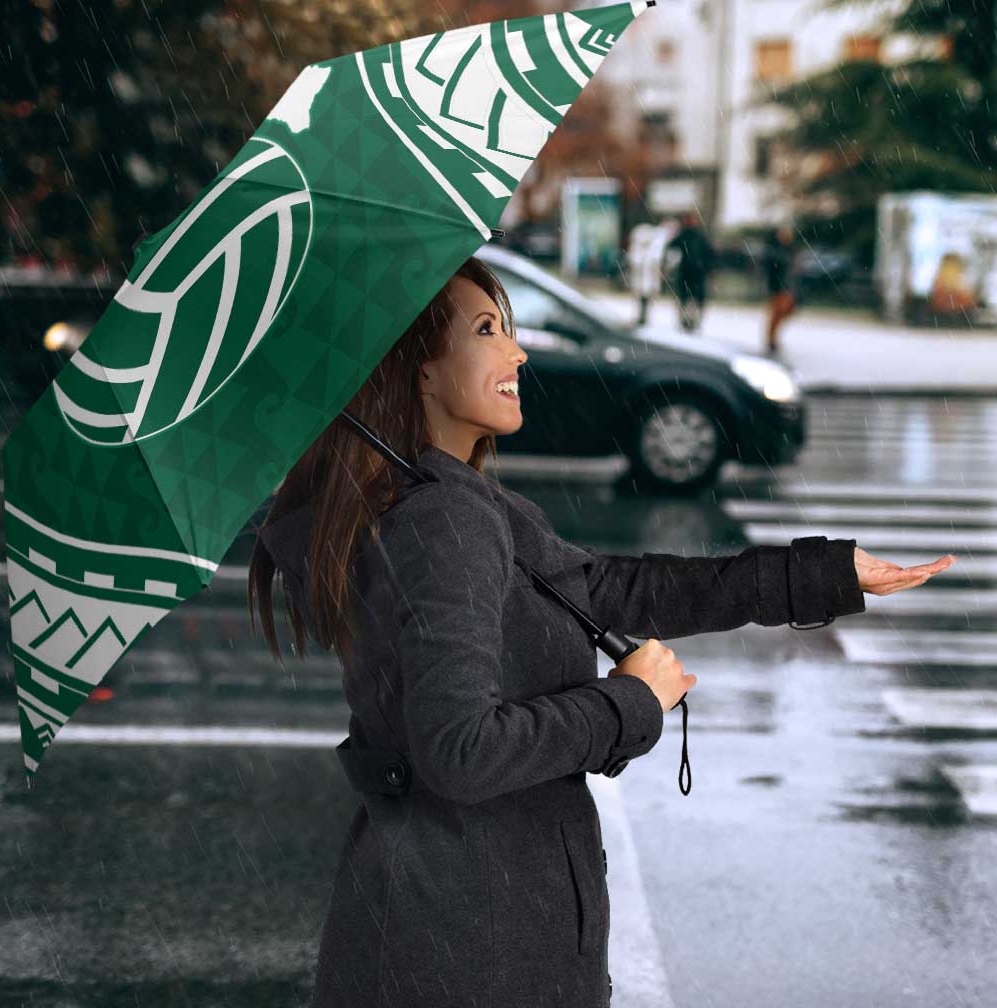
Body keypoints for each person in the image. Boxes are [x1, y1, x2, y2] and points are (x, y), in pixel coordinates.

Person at [249, 256, 954, 1008]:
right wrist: (628, 702)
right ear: (418, 372)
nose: (517, 352)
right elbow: (460, 751)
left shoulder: (452, 504)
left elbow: (617, 589)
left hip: (453, 927)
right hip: (469, 946)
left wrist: (822, 574)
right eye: (487, 330)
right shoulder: (443, 520)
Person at [665, 210, 715, 333]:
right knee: (686, 298)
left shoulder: (698, 236)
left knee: (693, 299)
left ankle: (692, 321)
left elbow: (709, 254)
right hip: (688, 272)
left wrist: (708, 268)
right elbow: (671, 248)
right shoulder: (685, 235)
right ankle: (686, 321)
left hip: (696, 272)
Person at [763, 223, 799, 354]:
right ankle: (771, 339)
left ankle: (772, 338)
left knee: (785, 312)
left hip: (787, 287)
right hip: (778, 287)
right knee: (777, 313)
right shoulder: (775, 251)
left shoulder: (790, 250)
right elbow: (772, 270)